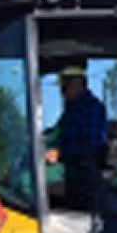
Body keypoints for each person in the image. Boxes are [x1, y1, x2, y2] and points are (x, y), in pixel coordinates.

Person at [45, 65, 108, 208]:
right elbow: (57, 134)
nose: (62, 93)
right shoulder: (72, 109)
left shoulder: (91, 108)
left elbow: (90, 146)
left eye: (64, 88)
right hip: (69, 162)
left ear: (78, 85)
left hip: (81, 168)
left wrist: (60, 153)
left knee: (29, 181)